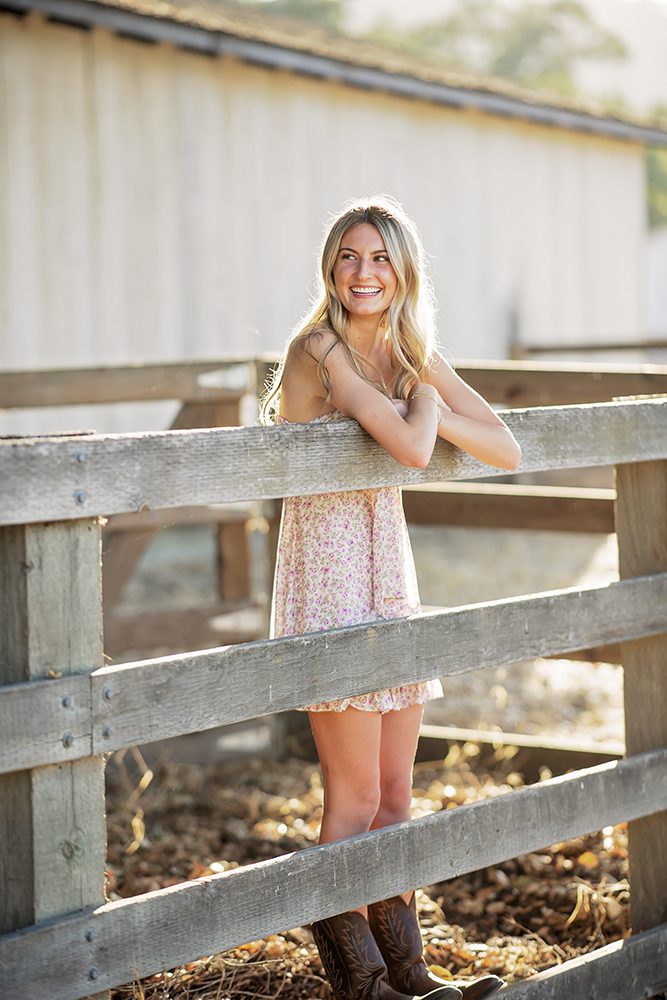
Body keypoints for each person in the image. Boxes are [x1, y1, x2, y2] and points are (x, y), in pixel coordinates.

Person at [261, 195, 520, 1000]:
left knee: (397, 796)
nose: (362, 272)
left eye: (378, 258)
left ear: (402, 268)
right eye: (347, 256)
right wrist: (430, 402)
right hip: (329, 582)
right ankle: (360, 986)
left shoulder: (408, 350)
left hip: (386, 575)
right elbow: (413, 446)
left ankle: (409, 977)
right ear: (329, 270)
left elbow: (505, 449)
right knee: (356, 795)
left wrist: (424, 384)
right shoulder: (320, 349)